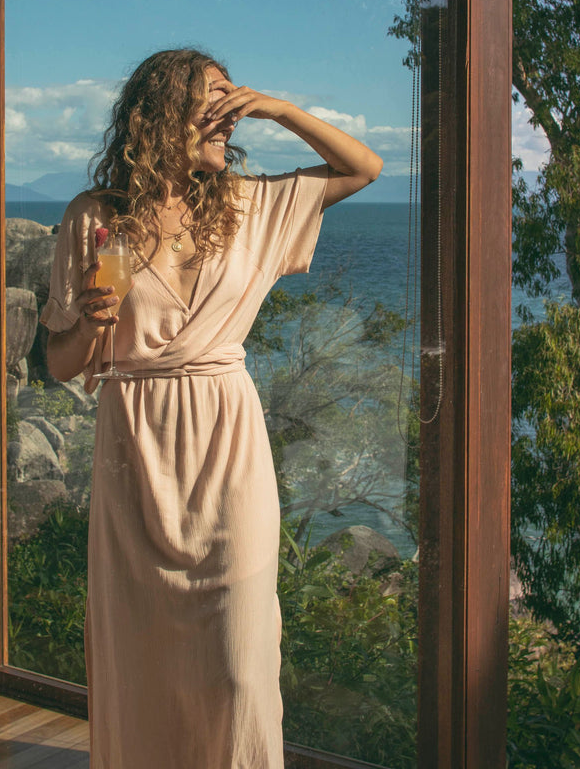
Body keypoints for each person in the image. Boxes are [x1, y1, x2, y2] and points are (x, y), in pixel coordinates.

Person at [41, 48, 383, 769]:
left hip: (227, 442)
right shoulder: (96, 219)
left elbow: (362, 167)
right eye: (214, 102)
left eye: (235, 104)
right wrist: (93, 323)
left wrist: (278, 108)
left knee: (239, 666)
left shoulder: (248, 206)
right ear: (160, 116)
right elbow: (60, 364)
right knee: (141, 659)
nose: (230, 118)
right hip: (134, 444)